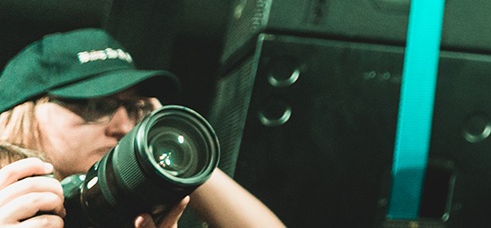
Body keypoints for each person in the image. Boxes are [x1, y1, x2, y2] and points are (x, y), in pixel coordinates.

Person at [0, 28, 286, 228]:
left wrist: (179, 152)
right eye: (97, 107)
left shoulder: (128, 215)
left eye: (135, 109)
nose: (125, 126)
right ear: (23, 114)